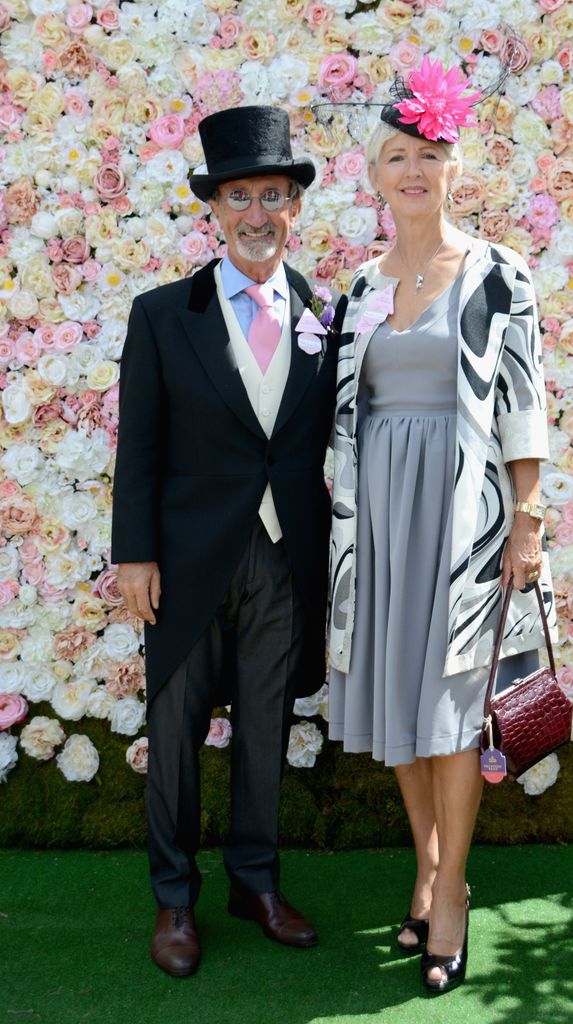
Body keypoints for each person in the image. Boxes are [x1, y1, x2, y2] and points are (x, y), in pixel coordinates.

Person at [328, 58, 555, 995]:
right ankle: (422, 861)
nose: (412, 170)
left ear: (454, 165)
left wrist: (529, 520)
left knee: (456, 712)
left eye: (428, 152)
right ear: (374, 177)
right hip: (377, 522)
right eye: (395, 156)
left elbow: (525, 404)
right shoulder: (354, 288)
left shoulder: (500, 273)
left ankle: (452, 890)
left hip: (464, 519)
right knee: (403, 700)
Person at [112, 106, 345, 977]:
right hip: (185, 562)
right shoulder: (164, 314)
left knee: (264, 727)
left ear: (295, 207)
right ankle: (175, 900)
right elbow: (138, 444)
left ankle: (256, 881)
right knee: (174, 733)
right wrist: (135, 556)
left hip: (286, 557)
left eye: (273, 195)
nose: (257, 213)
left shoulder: (331, 314)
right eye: (239, 195)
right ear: (213, 209)